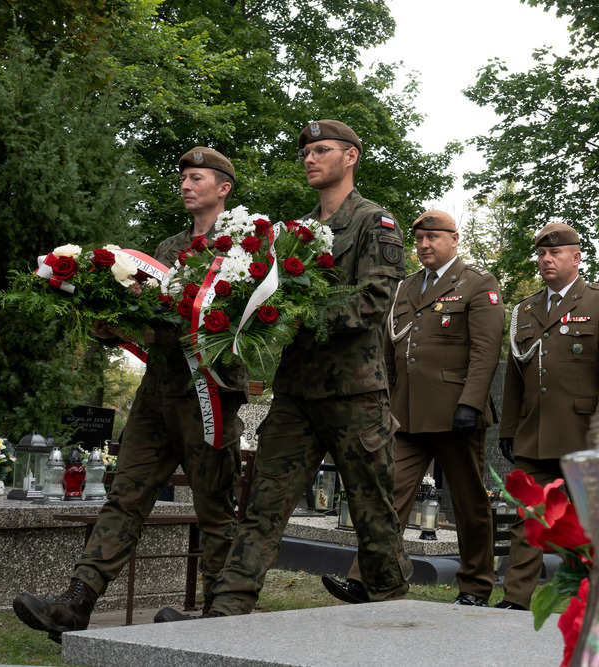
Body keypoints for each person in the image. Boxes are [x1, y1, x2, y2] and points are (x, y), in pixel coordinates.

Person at [160, 119, 411, 620]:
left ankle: (391, 611)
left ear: (351, 157)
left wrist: (295, 316)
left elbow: (374, 301)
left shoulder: (375, 224)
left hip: (354, 394)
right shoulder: (292, 233)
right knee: (264, 505)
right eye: (306, 153)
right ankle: (227, 611)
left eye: (322, 150)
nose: (310, 159)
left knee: (372, 512)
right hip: (295, 392)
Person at [12, 147, 248, 642]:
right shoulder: (167, 247)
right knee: (125, 498)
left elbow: (248, 324)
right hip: (158, 393)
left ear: (223, 188)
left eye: (196, 177)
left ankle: (219, 618)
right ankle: (76, 603)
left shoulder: (246, 248)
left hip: (210, 395)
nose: (185, 184)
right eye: (182, 176)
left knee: (214, 507)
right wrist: (109, 326)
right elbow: (147, 316)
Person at [322, 209, 505, 606]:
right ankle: (365, 579)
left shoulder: (478, 284)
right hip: (406, 414)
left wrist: (471, 403)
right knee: (387, 497)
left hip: (457, 414)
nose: (423, 246)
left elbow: (486, 350)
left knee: (469, 505)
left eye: (432, 238)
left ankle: (475, 587)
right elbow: (387, 352)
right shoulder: (405, 288)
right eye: (419, 240)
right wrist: (383, 403)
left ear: (454, 239)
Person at [494, 222, 599, 611]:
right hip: (535, 434)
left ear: (576, 256)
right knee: (528, 520)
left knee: (589, 523)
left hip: (583, 434)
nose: (546, 259)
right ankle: (515, 600)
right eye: (541, 253)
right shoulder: (525, 310)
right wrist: (509, 429)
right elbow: (516, 376)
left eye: (555, 253)